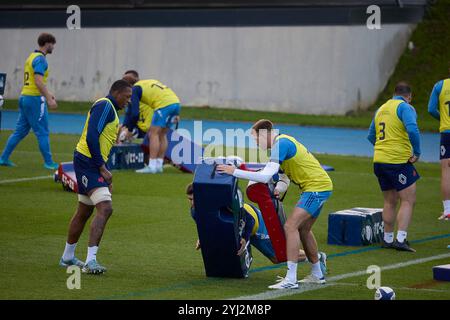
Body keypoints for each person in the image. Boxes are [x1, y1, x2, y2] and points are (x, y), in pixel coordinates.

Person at [217, 119, 333, 289]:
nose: (256, 142)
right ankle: (317, 274)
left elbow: (265, 177)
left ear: (264, 134)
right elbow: (284, 176)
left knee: (290, 227)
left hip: (316, 189)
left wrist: (234, 171)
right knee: (303, 229)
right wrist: (279, 187)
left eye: (256, 138)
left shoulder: (281, 144)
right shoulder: (282, 143)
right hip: (319, 187)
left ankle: (291, 279)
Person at [59, 80, 132, 274]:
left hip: (90, 161)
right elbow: (92, 136)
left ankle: (67, 257)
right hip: (88, 162)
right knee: (105, 208)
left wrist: (104, 167)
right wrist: (101, 167)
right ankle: (91, 261)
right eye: (127, 96)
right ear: (116, 93)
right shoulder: (105, 106)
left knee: (84, 211)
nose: (129, 101)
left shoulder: (110, 109)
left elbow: (99, 140)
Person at [185, 182, 328, 273]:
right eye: (189, 200)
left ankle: (317, 256)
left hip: (255, 223)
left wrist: (244, 239)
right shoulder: (195, 212)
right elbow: (209, 227)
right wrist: (202, 238)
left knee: (278, 257)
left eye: (193, 199)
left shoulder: (223, 203)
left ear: (202, 196)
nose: (191, 203)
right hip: (242, 226)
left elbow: (249, 219)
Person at [367, 82, 421, 253]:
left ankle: (388, 239)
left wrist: (383, 148)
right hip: (397, 161)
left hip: (379, 160)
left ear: (394, 93)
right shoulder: (405, 107)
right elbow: (412, 130)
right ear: (409, 97)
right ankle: (401, 239)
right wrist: (417, 151)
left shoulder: (381, 108)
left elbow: (370, 136)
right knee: (408, 199)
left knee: (390, 201)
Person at [0, 33, 58, 169]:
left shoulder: (31, 57)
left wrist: (48, 93)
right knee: (42, 131)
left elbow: (34, 80)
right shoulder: (41, 59)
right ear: (47, 43)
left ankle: (3, 158)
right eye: (53, 44)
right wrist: (48, 98)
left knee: (19, 132)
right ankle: (49, 162)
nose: (53, 47)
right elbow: (38, 81)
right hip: (34, 99)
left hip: (24, 97)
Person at [122, 70, 181, 174]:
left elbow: (134, 113)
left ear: (128, 86)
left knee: (153, 134)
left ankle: (152, 166)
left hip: (164, 105)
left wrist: (129, 130)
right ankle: (159, 165)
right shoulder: (147, 82)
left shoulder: (135, 89)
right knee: (162, 135)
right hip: (175, 102)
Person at [428, 70, 450, 221]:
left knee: (446, 171)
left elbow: (430, 109)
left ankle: (448, 211)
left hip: (447, 133)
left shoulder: (440, 85)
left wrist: (442, 119)